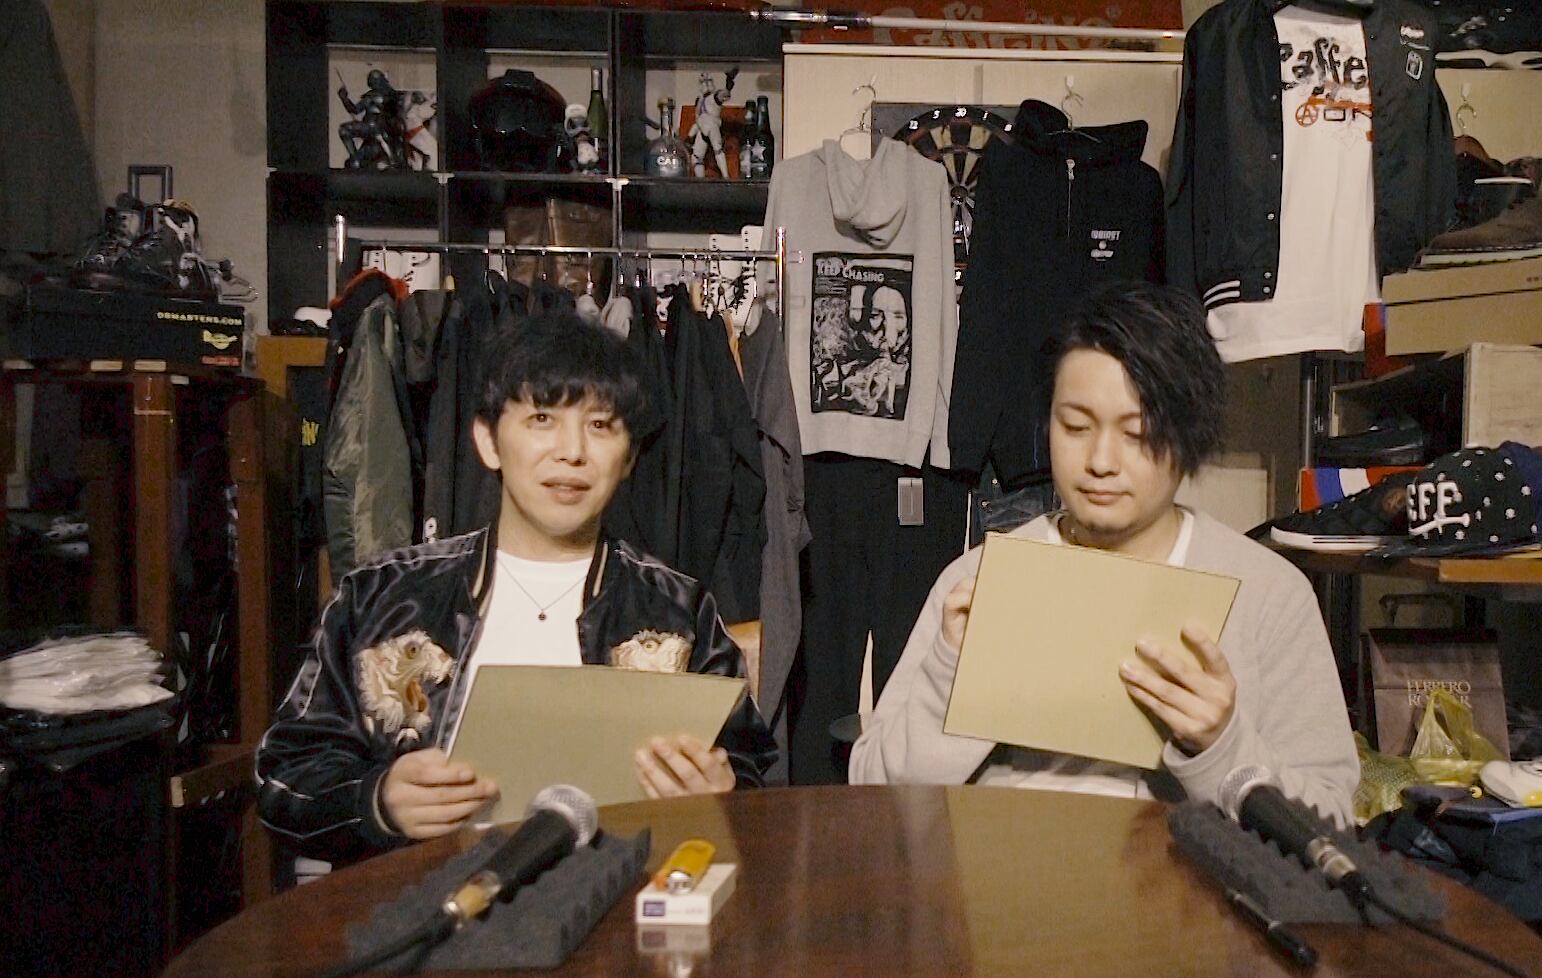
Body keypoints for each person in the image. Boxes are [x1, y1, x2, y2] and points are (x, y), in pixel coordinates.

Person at [257, 311, 779, 866]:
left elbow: (749, 778)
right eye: (542, 418)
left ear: (628, 458)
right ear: (488, 441)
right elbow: (285, 780)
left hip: (619, 902)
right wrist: (377, 802)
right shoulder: (381, 596)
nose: (572, 451)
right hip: (424, 905)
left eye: (600, 425)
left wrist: (723, 797)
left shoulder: (679, 612)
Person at [850, 282, 1359, 824]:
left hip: (1183, 876)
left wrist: (1222, 745)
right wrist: (950, 676)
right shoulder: (977, 580)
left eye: (1136, 433)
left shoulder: (1268, 595)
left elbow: (1332, 818)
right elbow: (874, 792)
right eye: (1075, 426)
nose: (1099, 461)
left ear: (1189, 434)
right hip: (1001, 873)